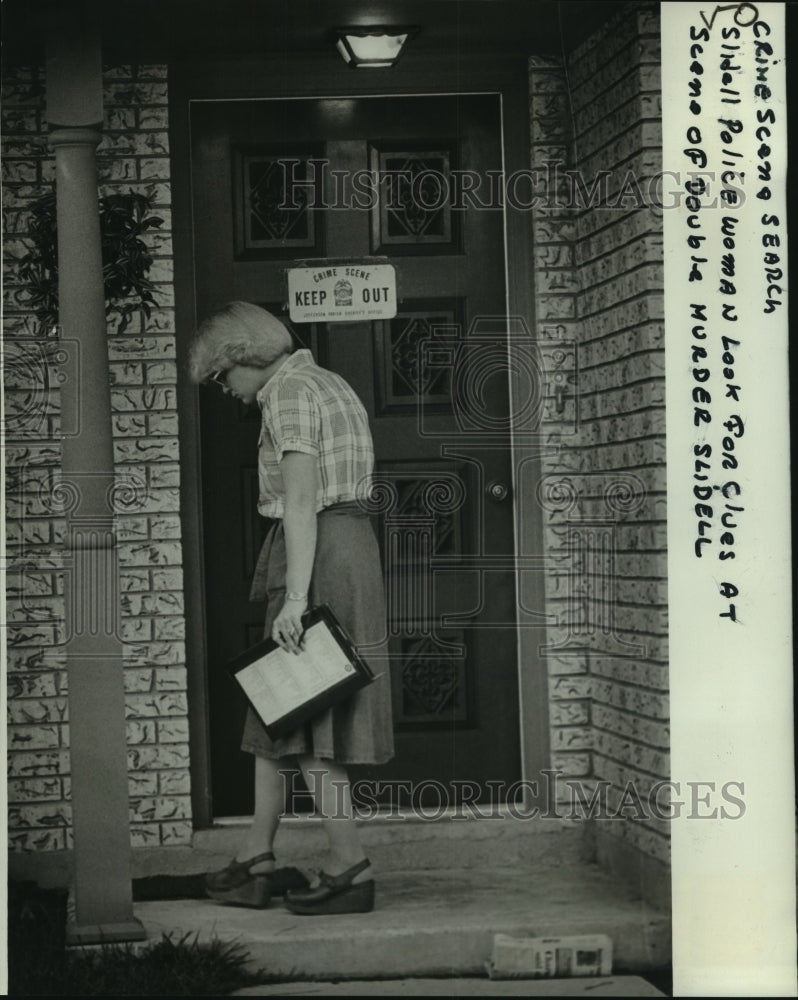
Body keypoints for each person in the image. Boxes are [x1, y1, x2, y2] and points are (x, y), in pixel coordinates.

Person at [188, 302, 394, 915]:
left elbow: (301, 502)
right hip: (338, 546)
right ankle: (258, 855)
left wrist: (299, 600)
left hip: (320, 550)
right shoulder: (327, 381)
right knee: (279, 709)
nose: (227, 392)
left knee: (305, 715)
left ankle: (348, 866)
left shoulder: (289, 393)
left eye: (223, 378)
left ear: (244, 359)